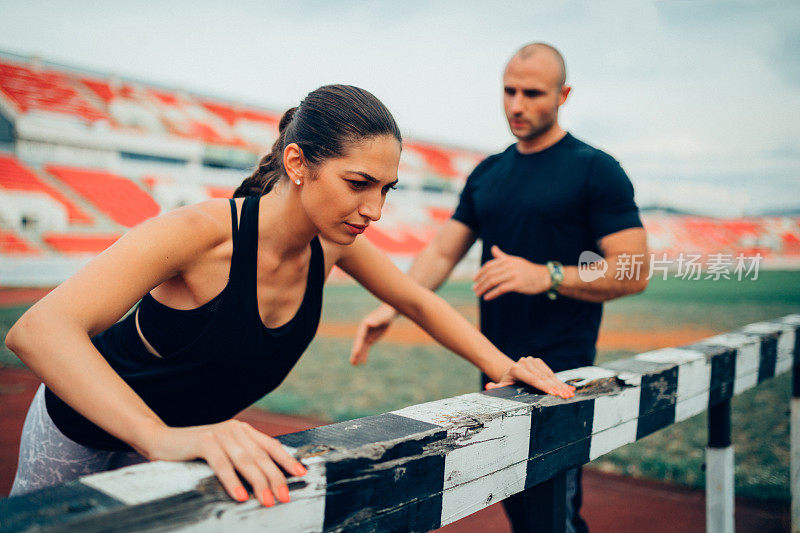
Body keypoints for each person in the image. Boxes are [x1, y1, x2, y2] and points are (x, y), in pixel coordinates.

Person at [5, 84, 576, 506]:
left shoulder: (335, 246)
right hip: (80, 426)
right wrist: (159, 436)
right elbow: (37, 329)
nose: (375, 211)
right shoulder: (199, 233)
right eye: (358, 184)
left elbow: (419, 301)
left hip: (189, 441)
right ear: (297, 163)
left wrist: (506, 366)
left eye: (386, 189)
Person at [351, 44, 649, 533]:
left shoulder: (596, 169)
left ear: (563, 95)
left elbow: (633, 269)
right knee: (522, 511)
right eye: (509, 90)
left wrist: (547, 275)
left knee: (553, 516)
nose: (516, 104)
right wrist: (391, 308)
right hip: (495, 366)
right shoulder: (489, 172)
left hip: (562, 375)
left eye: (532, 93)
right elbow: (443, 252)